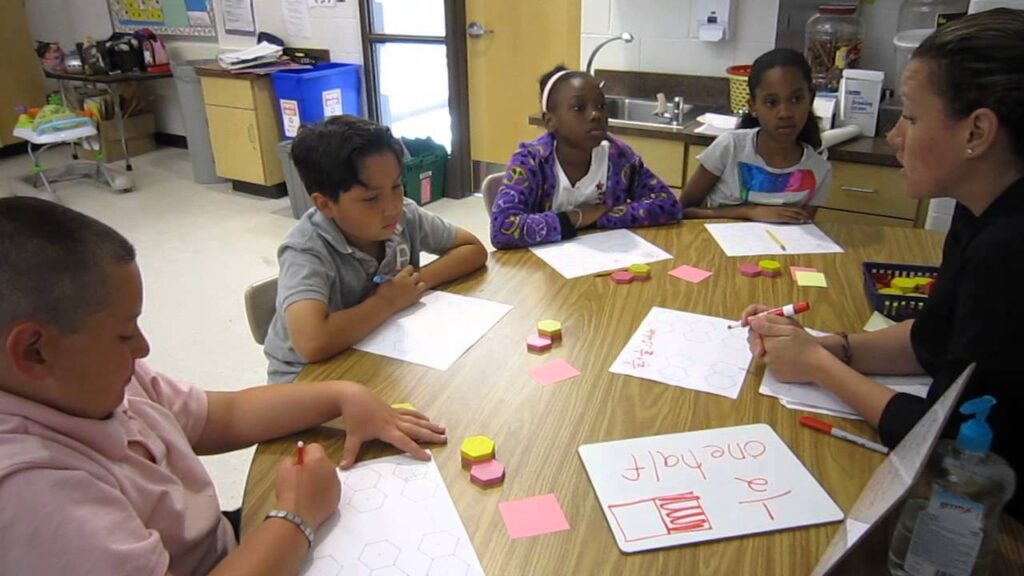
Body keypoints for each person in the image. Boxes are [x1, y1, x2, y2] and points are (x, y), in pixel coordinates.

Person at [0, 197, 447, 574]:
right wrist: (297, 515)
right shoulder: (35, 495)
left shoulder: (91, 380)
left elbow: (222, 415)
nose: (143, 347)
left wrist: (341, 394)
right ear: (33, 351)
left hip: (223, 540)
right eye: (123, 334)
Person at [741, 9, 1024, 519]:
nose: (895, 136)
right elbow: (934, 338)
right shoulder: (977, 206)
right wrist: (833, 345)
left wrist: (818, 367)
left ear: (977, 132)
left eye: (911, 117)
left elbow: (952, 445)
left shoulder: (1010, 252)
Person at [265, 116, 488, 383]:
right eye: (371, 198)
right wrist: (388, 301)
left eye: (396, 186)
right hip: (307, 382)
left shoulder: (404, 215)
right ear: (325, 205)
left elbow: (472, 248)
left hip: (379, 352)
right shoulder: (306, 251)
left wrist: (414, 284)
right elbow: (312, 342)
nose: (392, 206)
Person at [489, 66, 682, 250]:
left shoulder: (619, 157)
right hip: (539, 271)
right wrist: (577, 217)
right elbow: (502, 229)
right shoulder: (531, 161)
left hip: (603, 261)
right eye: (579, 108)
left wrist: (600, 218)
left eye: (601, 106)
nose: (596, 114)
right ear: (550, 122)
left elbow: (668, 204)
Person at [682, 48, 830, 223]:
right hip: (715, 246)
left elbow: (803, 228)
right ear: (753, 106)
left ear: (810, 99)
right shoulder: (730, 147)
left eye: (796, 99)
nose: (785, 113)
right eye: (771, 102)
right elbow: (682, 211)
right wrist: (748, 211)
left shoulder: (819, 168)